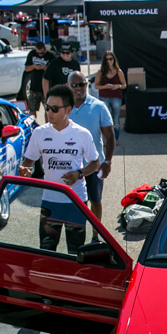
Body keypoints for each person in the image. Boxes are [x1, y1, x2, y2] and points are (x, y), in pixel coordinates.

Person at [18, 85, 101, 252]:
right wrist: (25, 169)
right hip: (50, 200)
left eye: (54, 109)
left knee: (76, 251)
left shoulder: (82, 134)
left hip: (76, 200)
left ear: (68, 110)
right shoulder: (39, 133)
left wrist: (79, 173)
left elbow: (95, 163)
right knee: (47, 250)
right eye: (47, 108)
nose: (49, 112)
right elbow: (28, 161)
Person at [65, 71, 115, 223]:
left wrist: (107, 162)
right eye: (74, 85)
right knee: (73, 203)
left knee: (95, 201)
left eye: (82, 84)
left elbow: (110, 137)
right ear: (68, 86)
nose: (78, 88)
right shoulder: (62, 108)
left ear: (87, 85)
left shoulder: (99, 107)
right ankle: (78, 235)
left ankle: (95, 236)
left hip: (94, 166)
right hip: (70, 167)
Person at [92, 51, 126, 139]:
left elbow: (124, 85)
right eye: (107, 59)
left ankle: (116, 138)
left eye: (111, 59)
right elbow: (96, 86)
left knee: (116, 119)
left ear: (114, 60)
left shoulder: (118, 71)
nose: (109, 61)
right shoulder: (101, 72)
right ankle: (106, 139)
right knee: (105, 119)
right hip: (104, 97)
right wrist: (105, 86)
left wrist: (117, 86)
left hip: (116, 97)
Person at [22, 40, 51, 116]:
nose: (40, 55)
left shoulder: (50, 56)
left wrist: (45, 68)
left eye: (42, 53)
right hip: (34, 87)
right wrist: (34, 66)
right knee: (32, 110)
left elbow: (54, 70)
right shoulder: (32, 54)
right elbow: (26, 68)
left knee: (48, 110)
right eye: (38, 53)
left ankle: (47, 126)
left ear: (45, 49)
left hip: (46, 88)